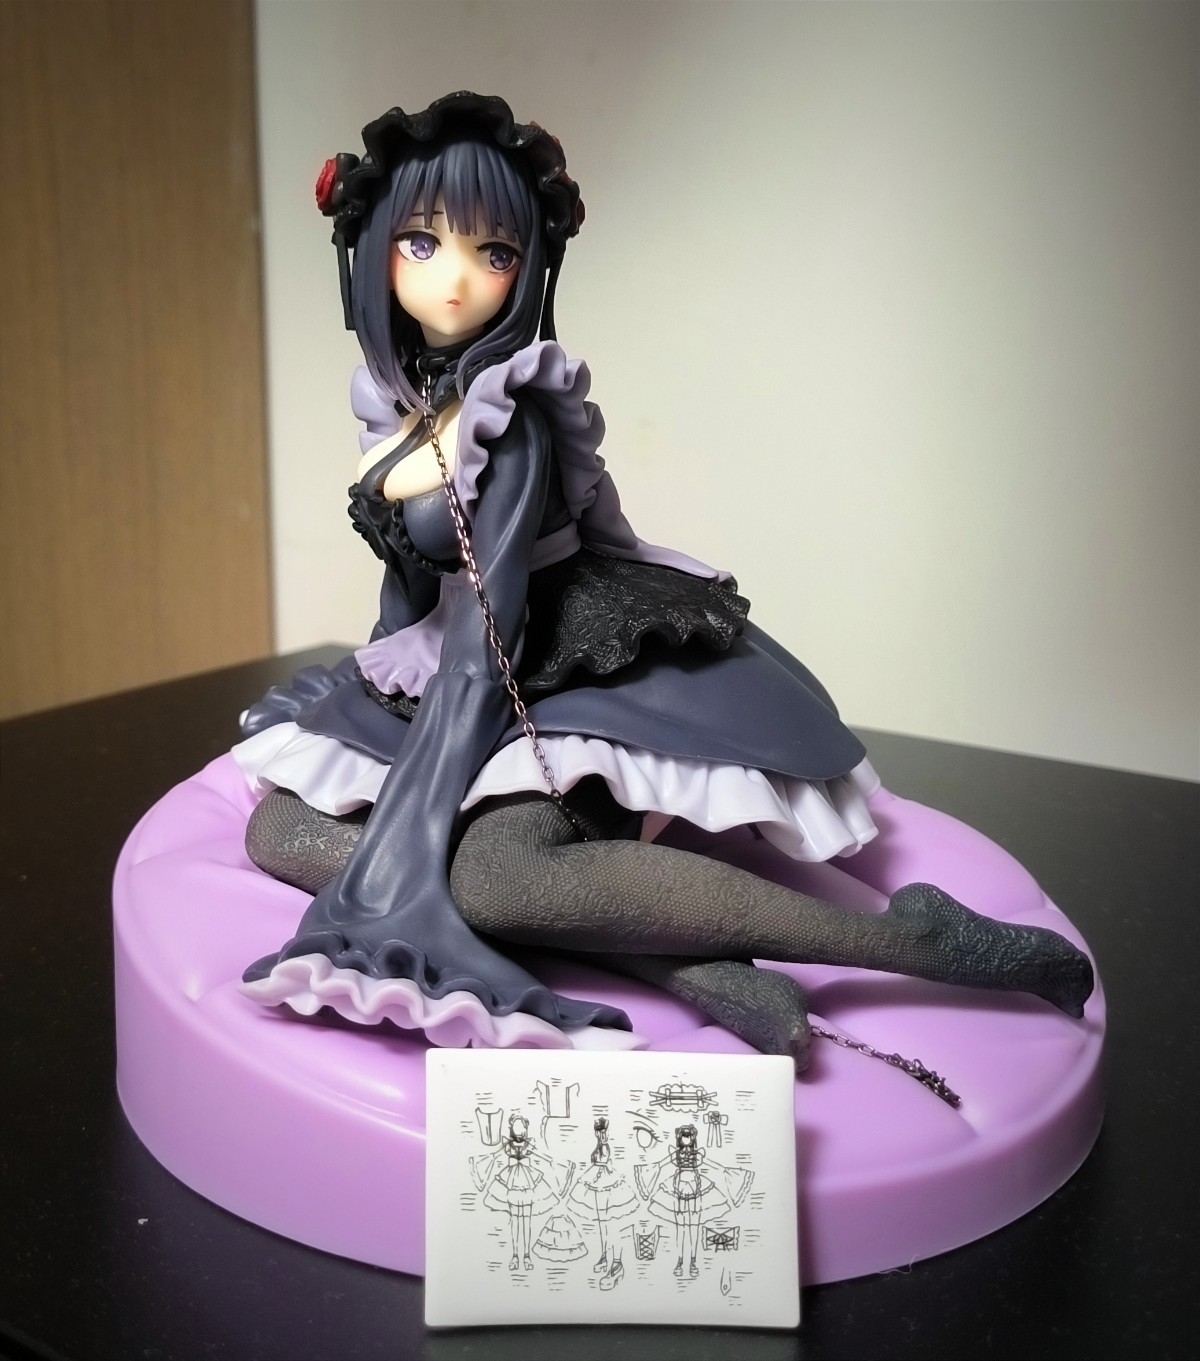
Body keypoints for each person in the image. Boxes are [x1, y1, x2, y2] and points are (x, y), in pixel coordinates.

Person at [235, 92, 1092, 1064]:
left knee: (486, 876)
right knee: (282, 830)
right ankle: (692, 969)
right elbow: (412, 593)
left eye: (495, 252)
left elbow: (489, 634)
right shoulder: (402, 404)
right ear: (375, 248)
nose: (458, 278)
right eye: (423, 244)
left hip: (557, 665)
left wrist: (406, 849)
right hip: (448, 667)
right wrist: (371, 708)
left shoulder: (508, 416)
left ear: (527, 268)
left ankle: (907, 939)